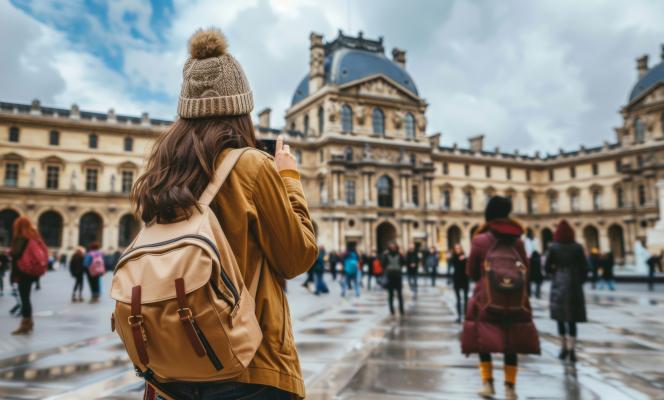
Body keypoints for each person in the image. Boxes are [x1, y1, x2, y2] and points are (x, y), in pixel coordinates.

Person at [129, 27, 318, 399]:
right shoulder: (252, 166)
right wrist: (290, 179)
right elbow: (298, 256)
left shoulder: (161, 171)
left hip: (174, 365)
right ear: (241, 109)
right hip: (249, 363)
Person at [461, 196, 540, 400]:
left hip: (485, 297)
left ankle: (488, 384)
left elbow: (470, 271)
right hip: (514, 296)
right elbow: (525, 269)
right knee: (511, 341)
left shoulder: (479, 240)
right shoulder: (518, 242)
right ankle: (510, 388)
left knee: (483, 338)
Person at [544, 220, 588, 363]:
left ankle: (563, 348)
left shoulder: (553, 247)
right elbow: (585, 268)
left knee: (560, 318)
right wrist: (579, 280)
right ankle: (572, 349)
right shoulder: (578, 247)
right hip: (574, 283)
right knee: (572, 320)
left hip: (559, 283)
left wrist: (555, 274)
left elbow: (547, 267)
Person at [9, 216, 45, 335]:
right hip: (30, 273)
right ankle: (28, 323)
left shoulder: (21, 238)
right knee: (26, 298)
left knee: (25, 298)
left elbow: (16, 255)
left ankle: (25, 324)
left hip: (22, 272)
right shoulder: (34, 237)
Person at [381, 241, 405, 316]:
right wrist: (383, 256)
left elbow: (404, 262)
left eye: (394, 247)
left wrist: (402, 255)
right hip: (390, 275)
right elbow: (382, 263)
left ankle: (401, 310)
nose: (393, 248)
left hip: (398, 275)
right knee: (390, 294)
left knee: (400, 294)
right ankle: (392, 310)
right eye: (391, 247)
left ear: (396, 247)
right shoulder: (386, 255)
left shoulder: (399, 254)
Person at [450, 243, 469, 323]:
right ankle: (459, 316)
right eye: (456, 248)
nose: (458, 249)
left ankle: (466, 316)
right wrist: (458, 259)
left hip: (464, 279)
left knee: (466, 298)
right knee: (458, 299)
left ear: (461, 249)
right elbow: (453, 263)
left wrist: (464, 259)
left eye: (459, 248)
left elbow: (468, 266)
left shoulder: (465, 256)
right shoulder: (454, 257)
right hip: (457, 279)